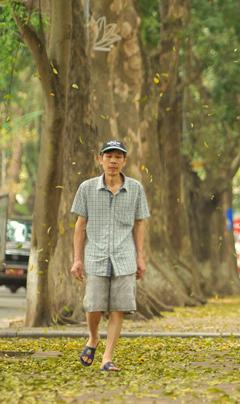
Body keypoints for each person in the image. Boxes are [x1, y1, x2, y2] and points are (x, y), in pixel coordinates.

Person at [70, 140, 151, 372]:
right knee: (93, 306)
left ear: (124, 161)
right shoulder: (86, 188)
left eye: (118, 156)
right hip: (95, 256)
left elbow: (139, 224)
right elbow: (80, 226)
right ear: (100, 159)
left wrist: (140, 257)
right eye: (109, 156)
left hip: (124, 258)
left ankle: (107, 358)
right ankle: (93, 338)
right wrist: (77, 259)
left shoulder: (135, 188)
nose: (113, 161)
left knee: (118, 308)